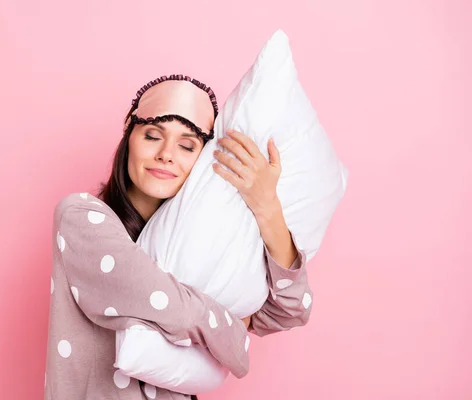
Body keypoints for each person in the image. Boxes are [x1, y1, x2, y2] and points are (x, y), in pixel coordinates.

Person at [44, 74, 313, 400]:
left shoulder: (195, 252)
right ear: (129, 138)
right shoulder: (82, 218)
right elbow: (178, 310)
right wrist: (235, 331)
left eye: (187, 145)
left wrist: (268, 208)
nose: (167, 154)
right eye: (152, 136)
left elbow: (287, 311)